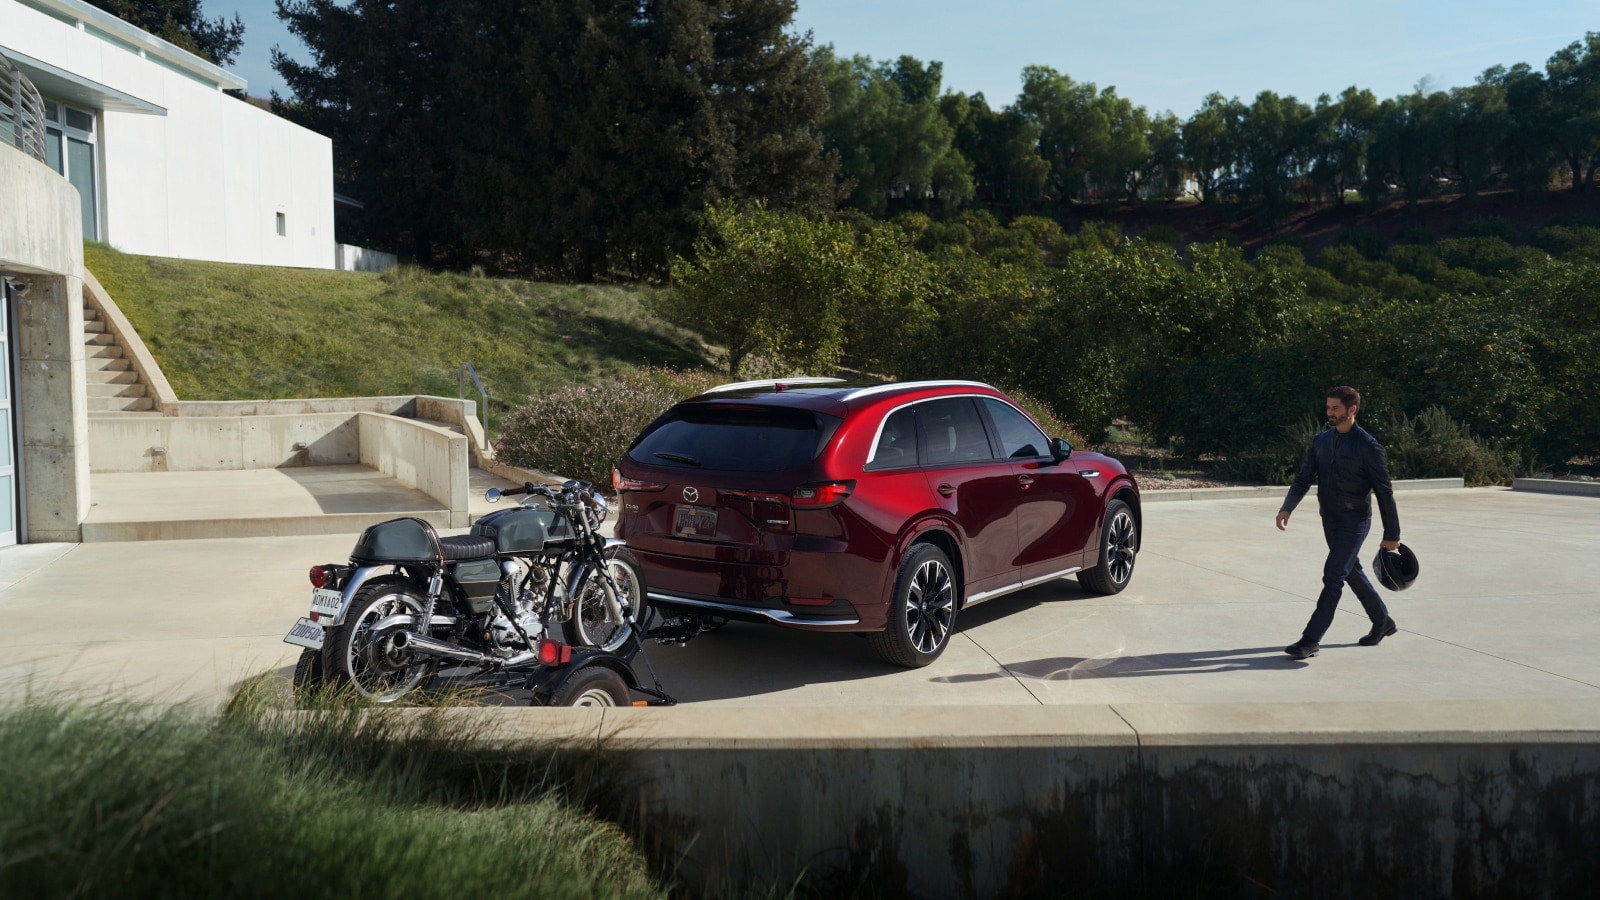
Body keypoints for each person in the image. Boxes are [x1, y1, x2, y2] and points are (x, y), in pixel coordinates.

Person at [1274, 386, 1400, 660]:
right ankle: (1382, 622)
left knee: (1333, 575)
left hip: (1355, 521)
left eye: (1335, 408)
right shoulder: (1321, 441)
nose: (1329, 413)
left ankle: (1310, 640)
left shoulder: (1368, 446)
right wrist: (1287, 507)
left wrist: (1392, 533)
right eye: (1328, 407)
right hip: (1329, 519)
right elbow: (1304, 477)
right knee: (1350, 572)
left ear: (1351, 409)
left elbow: (1384, 490)